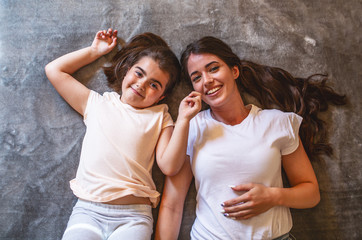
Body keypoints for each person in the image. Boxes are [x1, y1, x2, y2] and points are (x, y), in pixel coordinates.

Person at [155, 36, 346, 240]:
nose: (207, 81)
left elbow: (311, 193)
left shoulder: (277, 123)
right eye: (196, 77)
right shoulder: (191, 127)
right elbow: (171, 206)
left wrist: (272, 197)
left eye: (213, 68)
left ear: (234, 71)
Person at [45, 28, 201, 240]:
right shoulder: (97, 103)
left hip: (133, 217)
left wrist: (183, 119)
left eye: (154, 85)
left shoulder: (160, 116)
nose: (141, 84)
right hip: (88, 211)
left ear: (162, 97)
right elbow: (54, 70)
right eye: (139, 73)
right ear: (127, 70)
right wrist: (94, 51)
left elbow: (170, 166)